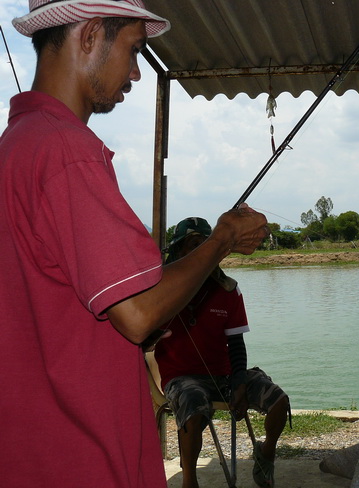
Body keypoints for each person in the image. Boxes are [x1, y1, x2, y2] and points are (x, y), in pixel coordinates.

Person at [0, 2, 269, 487]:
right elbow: (139, 312)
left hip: (32, 455)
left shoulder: (16, 146)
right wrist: (222, 238)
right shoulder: (67, 152)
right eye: (134, 50)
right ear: (89, 36)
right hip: (86, 458)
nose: (138, 73)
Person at [153, 217, 289, 488]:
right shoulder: (161, 288)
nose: (198, 253)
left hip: (224, 375)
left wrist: (239, 382)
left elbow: (236, 344)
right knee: (193, 402)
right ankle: (189, 480)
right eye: (192, 246)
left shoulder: (228, 289)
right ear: (178, 251)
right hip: (181, 377)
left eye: (205, 246)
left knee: (279, 401)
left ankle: (266, 451)